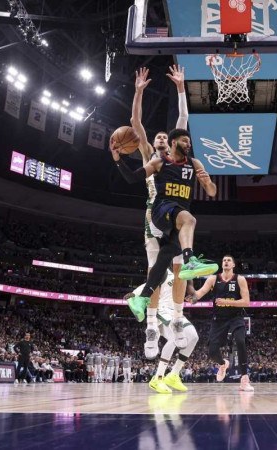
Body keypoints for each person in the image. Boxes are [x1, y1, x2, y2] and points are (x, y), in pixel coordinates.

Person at [114, 128, 218, 325]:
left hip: (177, 216)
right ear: (173, 142)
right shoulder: (160, 161)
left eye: (189, 142)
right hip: (161, 210)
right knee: (191, 220)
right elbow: (132, 178)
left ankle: (141, 298)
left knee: (166, 256)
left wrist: (208, 181)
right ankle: (190, 260)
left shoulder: (194, 163)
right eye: (185, 141)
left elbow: (212, 192)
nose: (189, 144)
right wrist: (118, 158)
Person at [122, 66, 190, 356]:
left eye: (166, 136)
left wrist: (181, 88)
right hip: (153, 215)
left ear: (172, 142)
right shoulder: (150, 155)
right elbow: (135, 122)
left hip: (174, 214)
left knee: (179, 272)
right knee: (155, 273)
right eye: (159, 136)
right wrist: (138, 92)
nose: (162, 138)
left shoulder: (177, 159)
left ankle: (175, 321)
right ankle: (151, 329)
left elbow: (183, 119)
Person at [125, 268, 199, 394]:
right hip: (161, 309)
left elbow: (191, 288)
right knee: (176, 337)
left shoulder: (185, 272)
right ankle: (158, 378)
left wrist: (193, 296)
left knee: (193, 336)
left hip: (175, 311)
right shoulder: (164, 271)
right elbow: (149, 284)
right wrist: (134, 294)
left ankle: (173, 375)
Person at [188, 255, 254, 392]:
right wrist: (193, 298)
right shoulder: (213, 278)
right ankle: (223, 364)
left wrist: (227, 302)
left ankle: (244, 379)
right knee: (212, 352)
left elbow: (246, 302)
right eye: (224, 260)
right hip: (219, 319)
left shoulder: (240, 279)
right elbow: (201, 292)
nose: (226, 262)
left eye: (229, 260)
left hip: (236, 317)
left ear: (233, 265)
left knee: (240, 341)